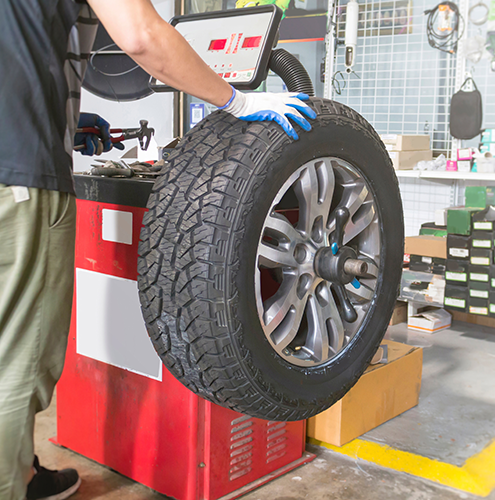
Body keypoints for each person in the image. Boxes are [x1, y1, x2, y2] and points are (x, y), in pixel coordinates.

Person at [0, 1, 316, 499]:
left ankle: (21, 467)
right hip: (19, 176)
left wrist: (64, 124)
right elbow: (142, 37)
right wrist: (236, 101)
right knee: (20, 360)